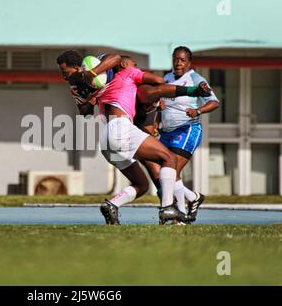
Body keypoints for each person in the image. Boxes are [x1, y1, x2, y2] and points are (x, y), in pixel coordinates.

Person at [57, 51, 212, 225]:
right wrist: (192, 91)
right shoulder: (125, 74)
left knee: (142, 184)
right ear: (124, 65)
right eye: (134, 65)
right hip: (121, 129)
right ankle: (169, 207)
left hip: (107, 140)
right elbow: (160, 84)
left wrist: (89, 93)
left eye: (65, 73)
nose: (136, 68)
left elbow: (112, 62)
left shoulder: (97, 86)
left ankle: (112, 204)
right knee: (168, 158)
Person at [142, 46, 219, 224]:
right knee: (166, 175)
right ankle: (193, 198)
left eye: (182, 60)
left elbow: (214, 102)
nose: (178, 63)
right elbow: (163, 103)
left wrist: (198, 110)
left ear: (189, 63)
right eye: (176, 59)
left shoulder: (195, 79)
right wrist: (156, 119)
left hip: (187, 129)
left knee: (171, 171)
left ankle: (181, 217)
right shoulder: (166, 78)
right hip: (167, 132)